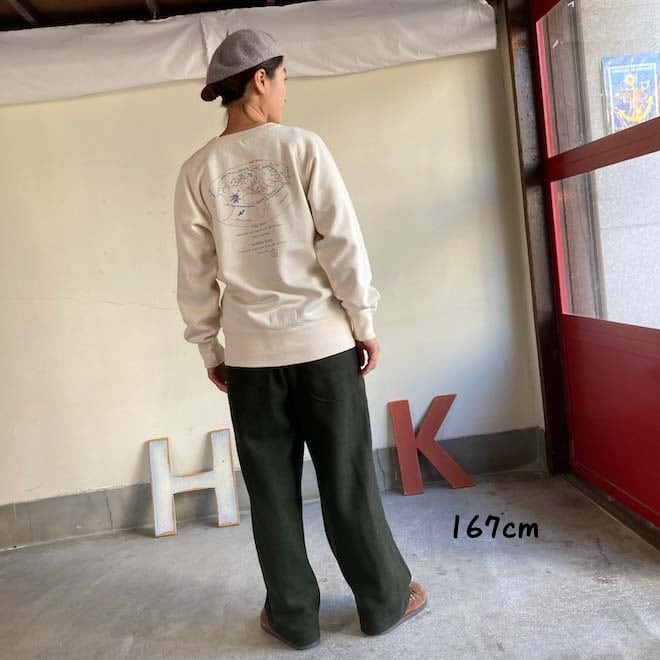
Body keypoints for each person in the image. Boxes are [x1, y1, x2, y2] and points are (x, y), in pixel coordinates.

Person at [173, 27, 427, 651]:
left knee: (271, 492)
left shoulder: (197, 170)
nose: (286, 91)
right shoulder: (302, 147)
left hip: (250, 358)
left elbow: (194, 272)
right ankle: (384, 601)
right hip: (322, 347)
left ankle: (292, 617)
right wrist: (363, 323)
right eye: (283, 78)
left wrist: (210, 348)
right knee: (347, 479)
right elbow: (342, 243)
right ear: (260, 78)